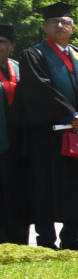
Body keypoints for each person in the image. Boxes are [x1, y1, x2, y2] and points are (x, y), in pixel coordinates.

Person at [20, 0, 78, 249]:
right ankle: (46, 240)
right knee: (45, 186)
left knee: (77, 184)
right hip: (49, 134)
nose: (60, 25)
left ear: (73, 28)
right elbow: (40, 88)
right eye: (54, 22)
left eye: (65, 22)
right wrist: (71, 115)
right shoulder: (33, 54)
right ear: (44, 27)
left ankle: (71, 238)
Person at [0, 30, 23, 247]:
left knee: (18, 188)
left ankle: (18, 238)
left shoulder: (19, 69)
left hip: (19, 139)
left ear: (12, 46)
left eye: (3, 41)